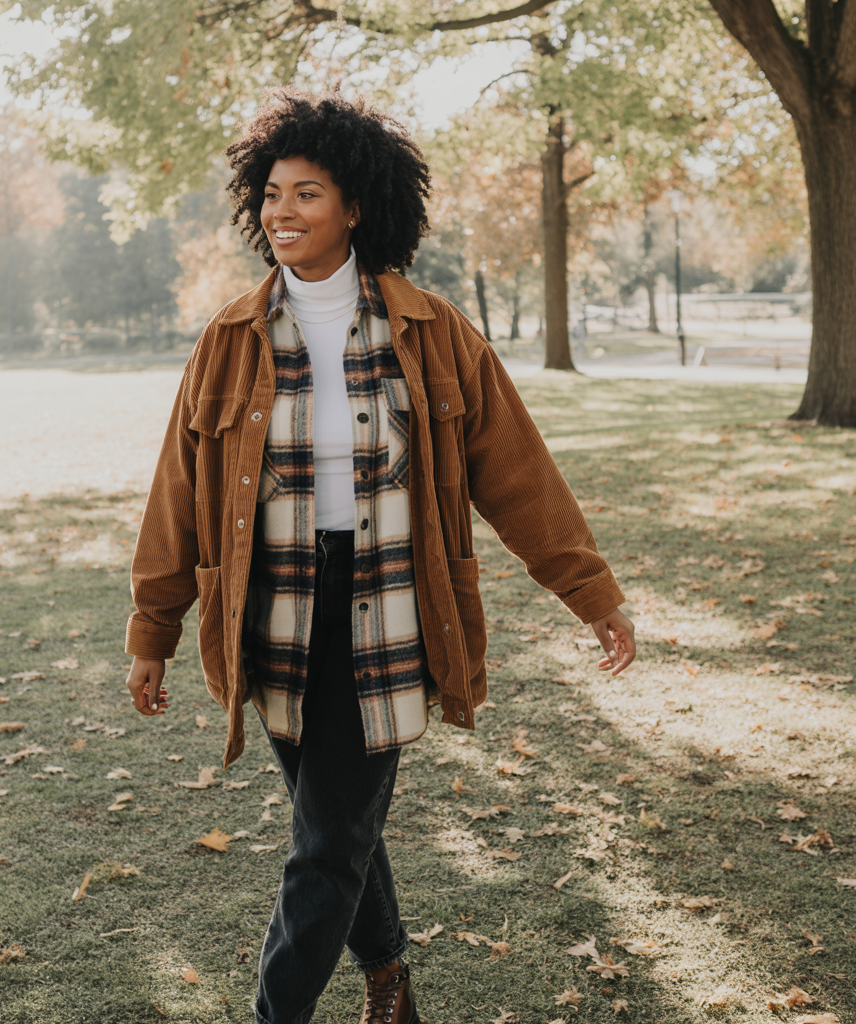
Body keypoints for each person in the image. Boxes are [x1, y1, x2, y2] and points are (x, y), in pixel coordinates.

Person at [123, 88, 636, 1024]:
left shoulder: (433, 333)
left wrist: (589, 591)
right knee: (338, 825)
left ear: (357, 205)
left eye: (308, 193)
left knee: (326, 841)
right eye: (272, 193)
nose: (283, 211)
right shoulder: (230, 340)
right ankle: (390, 974)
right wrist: (152, 627)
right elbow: (180, 494)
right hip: (269, 611)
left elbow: (518, 475)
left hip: (386, 605)